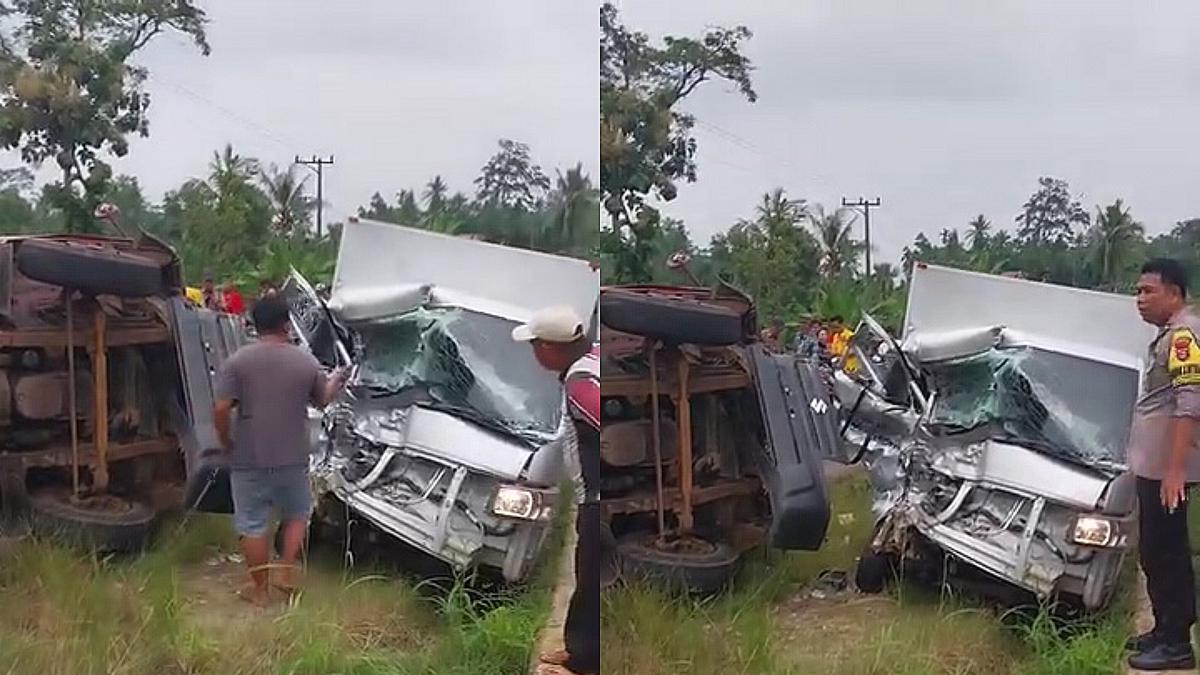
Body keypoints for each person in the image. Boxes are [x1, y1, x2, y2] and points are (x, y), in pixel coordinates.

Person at [213, 295, 348, 607]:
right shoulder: (305, 361)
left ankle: (260, 591)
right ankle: (286, 572)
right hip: (293, 456)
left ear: (255, 325)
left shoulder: (238, 362)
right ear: (287, 324)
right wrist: (338, 379)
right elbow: (323, 399)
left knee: (251, 524)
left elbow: (220, 408)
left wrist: (225, 440)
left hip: (249, 456)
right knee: (297, 514)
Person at [512, 305, 598, 675]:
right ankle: (578, 651)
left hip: (595, 499)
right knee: (586, 571)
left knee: (591, 575)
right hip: (590, 496)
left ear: (549, 347)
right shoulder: (590, 361)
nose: (532, 353)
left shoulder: (580, 384)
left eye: (534, 345)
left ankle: (585, 663)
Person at [1125, 258, 1200, 671]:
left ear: (1174, 293)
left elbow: (1190, 404)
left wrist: (1175, 470)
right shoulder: (1168, 336)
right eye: (1137, 291)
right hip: (1155, 467)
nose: (1139, 300)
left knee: (1167, 552)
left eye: (1147, 291)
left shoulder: (1184, 336)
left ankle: (1177, 644)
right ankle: (1162, 628)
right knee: (1153, 550)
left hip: (1169, 471)